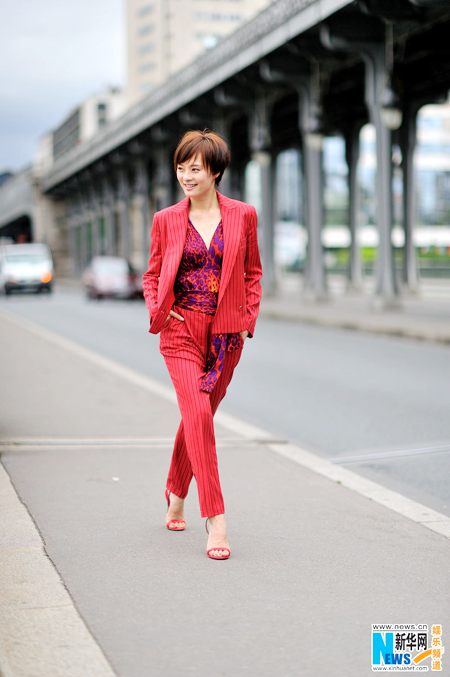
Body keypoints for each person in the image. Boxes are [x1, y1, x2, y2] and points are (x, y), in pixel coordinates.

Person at [142, 129, 262, 560]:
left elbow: (252, 271)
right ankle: (216, 518)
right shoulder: (166, 219)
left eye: (195, 168)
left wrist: (248, 318)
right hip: (180, 329)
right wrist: (158, 308)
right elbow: (153, 274)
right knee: (198, 414)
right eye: (180, 167)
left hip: (227, 334)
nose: (186, 176)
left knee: (199, 416)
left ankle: (176, 490)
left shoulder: (244, 215)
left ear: (215, 172)